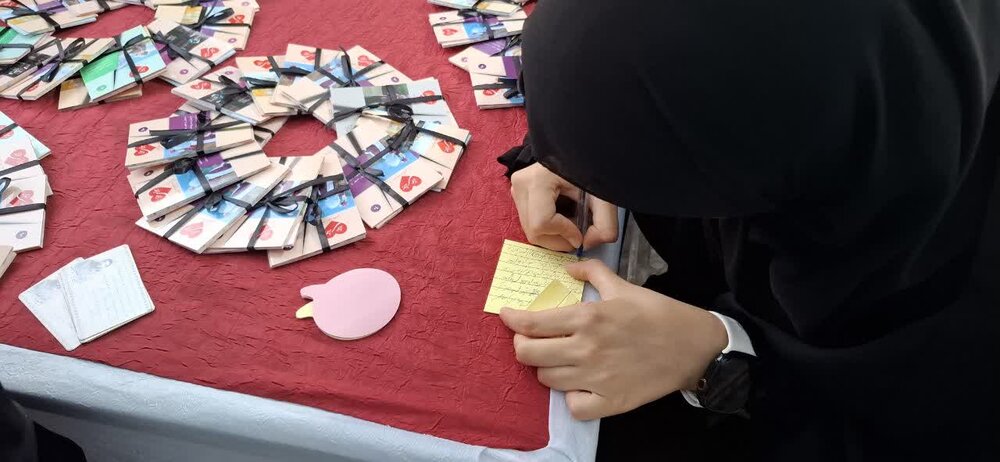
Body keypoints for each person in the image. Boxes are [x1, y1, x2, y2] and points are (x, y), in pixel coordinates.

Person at [498, 1, 1000, 460]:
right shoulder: (831, 93)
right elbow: (638, 41)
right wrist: (573, 153)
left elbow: (904, 413)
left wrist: (719, 357)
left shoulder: (949, 265)